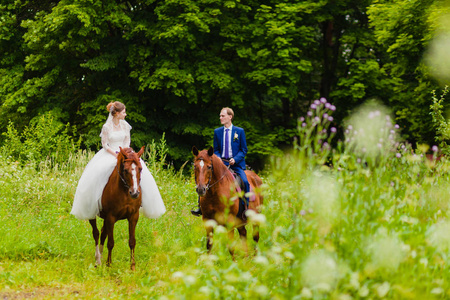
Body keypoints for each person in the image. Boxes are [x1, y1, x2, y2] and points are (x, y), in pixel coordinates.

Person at [71, 101, 166, 220]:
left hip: (125, 152)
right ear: (116, 114)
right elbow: (105, 144)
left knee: (139, 169)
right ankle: (98, 201)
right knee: (99, 173)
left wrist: (124, 153)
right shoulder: (107, 127)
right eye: (123, 112)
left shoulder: (125, 125)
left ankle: (142, 201)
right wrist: (115, 153)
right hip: (110, 153)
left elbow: (127, 141)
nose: (125, 114)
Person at [191, 107, 249, 216]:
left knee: (245, 182)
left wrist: (235, 159)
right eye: (220, 116)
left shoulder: (239, 131)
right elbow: (216, 150)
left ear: (230, 117)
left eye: (222, 116)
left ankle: (246, 208)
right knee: (204, 181)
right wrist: (218, 160)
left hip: (236, 164)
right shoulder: (217, 132)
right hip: (221, 165)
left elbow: (244, 149)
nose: (220, 118)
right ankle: (200, 207)